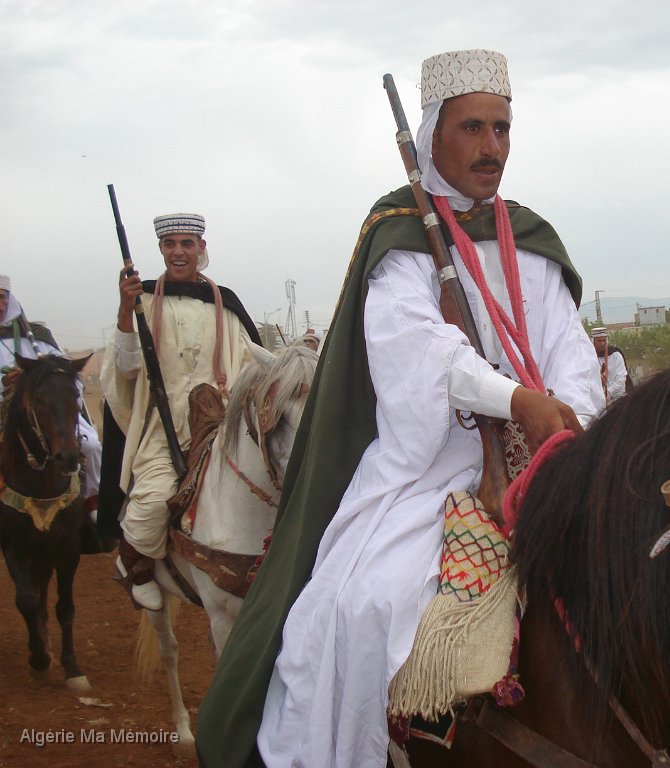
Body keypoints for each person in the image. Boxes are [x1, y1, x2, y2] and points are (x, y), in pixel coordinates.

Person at [198, 49, 604, 768]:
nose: (492, 147)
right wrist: (513, 399)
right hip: (427, 472)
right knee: (360, 606)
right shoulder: (400, 236)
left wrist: (567, 419)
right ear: (432, 136)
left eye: (503, 129)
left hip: (550, 459)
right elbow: (416, 354)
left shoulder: (531, 239)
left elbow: (568, 348)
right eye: (473, 128)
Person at [100, 213, 260, 611]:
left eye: (187, 244)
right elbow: (125, 367)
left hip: (218, 426)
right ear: (161, 250)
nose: (178, 252)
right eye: (170, 245)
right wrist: (125, 309)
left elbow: (246, 365)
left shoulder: (225, 304)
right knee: (154, 502)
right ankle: (132, 563)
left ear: (201, 249)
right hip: (162, 427)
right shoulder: (144, 300)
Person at [0, 274, 102, 512]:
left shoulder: (36, 335)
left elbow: (67, 375)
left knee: (93, 446)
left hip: (47, 408)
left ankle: (91, 502)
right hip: (5, 411)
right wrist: (6, 383)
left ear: (9, 299)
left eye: (2, 297)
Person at [591, 326, 629, 402]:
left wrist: (608, 392)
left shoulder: (615, 355)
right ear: (593, 341)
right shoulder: (590, 357)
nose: (602, 343)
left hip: (618, 398)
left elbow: (621, 378)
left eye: (604, 340)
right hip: (598, 401)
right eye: (599, 341)